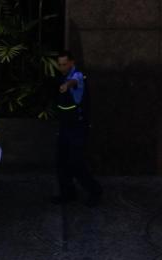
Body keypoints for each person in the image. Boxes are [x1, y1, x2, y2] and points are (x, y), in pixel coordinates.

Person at [52, 50, 102, 206]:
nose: (62, 67)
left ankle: (95, 191)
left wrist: (67, 85)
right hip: (65, 126)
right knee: (62, 161)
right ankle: (68, 193)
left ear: (72, 63)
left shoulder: (77, 76)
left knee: (76, 162)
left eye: (65, 64)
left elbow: (74, 81)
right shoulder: (62, 76)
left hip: (77, 127)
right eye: (59, 65)